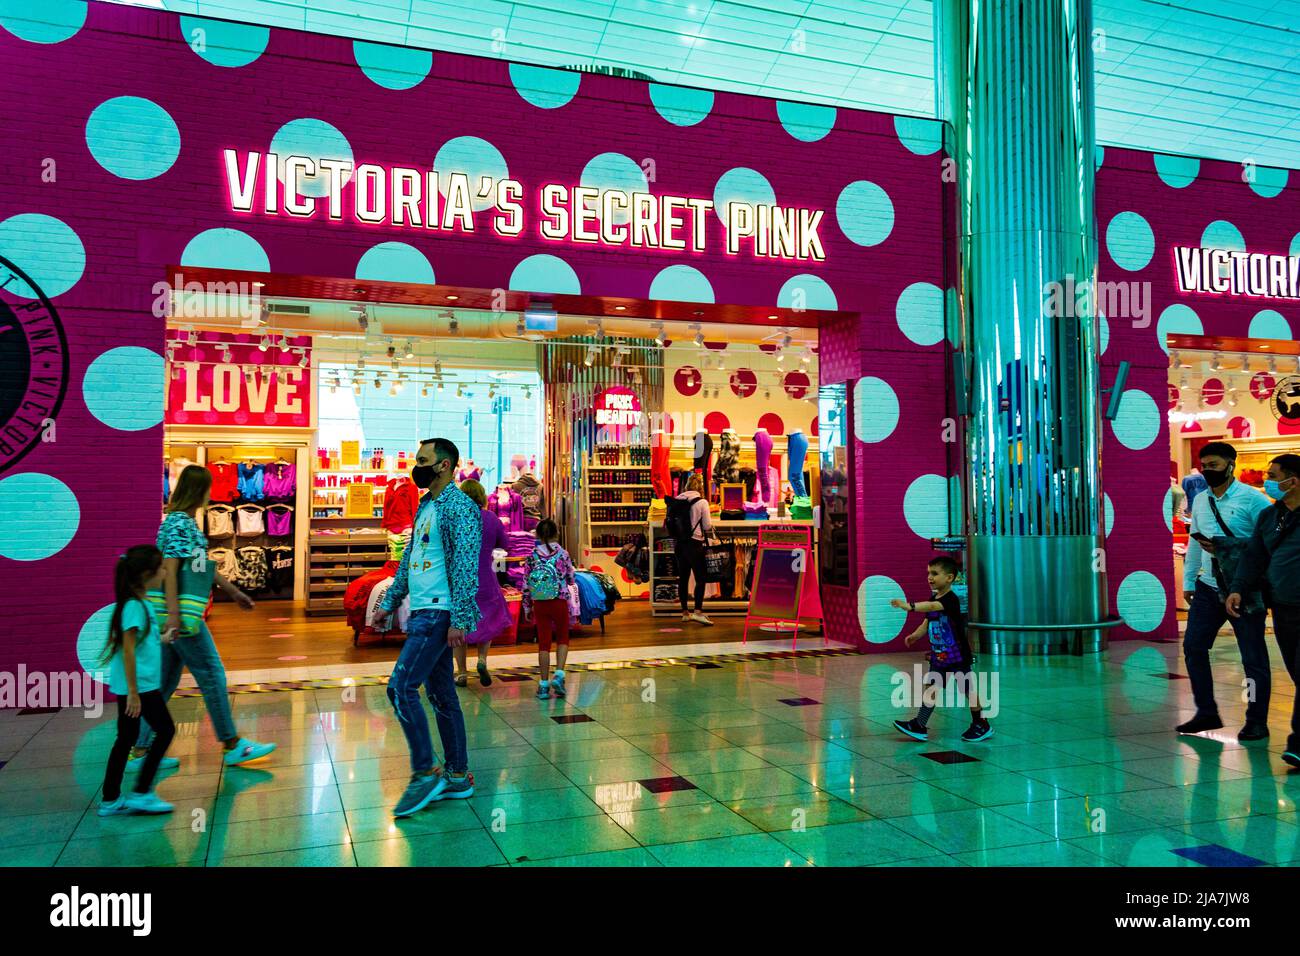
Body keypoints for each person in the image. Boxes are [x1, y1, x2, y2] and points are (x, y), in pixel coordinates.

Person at [132, 465, 276, 768]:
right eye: (207, 488)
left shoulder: (181, 521)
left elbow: (201, 564)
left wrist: (233, 592)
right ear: (199, 490)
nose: (211, 494)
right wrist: (173, 616)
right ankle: (231, 743)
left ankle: (142, 750)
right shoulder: (179, 523)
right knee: (212, 673)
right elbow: (170, 568)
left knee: (164, 681)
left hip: (180, 614)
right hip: (184, 616)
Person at [370, 438, 480, 817]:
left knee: (400, 688)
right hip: (421, 610)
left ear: (445, 466)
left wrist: (460, 618)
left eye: (423, 461)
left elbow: (466, 566)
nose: (416, 467)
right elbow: (410, 559)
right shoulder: (426, 506)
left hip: (438, 613)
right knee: (442, 696)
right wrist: (389, 601)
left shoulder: (460, 508)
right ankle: (458, 775)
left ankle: (424, 773)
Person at [1177, 441, 1272, 740]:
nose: (1208, 471)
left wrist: (1225, 548)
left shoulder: (1253, 500)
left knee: (1252, 657)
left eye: (1214, 465)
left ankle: (1256, 720)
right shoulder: (1202, 500)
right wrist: (1190, 580)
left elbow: (1266, 546)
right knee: (1193, 647)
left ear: (1231, 464)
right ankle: (1206, 711)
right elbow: (1195, 541)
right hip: (1208, 587)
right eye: (1205, 466)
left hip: (1243, 590)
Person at [1228, 453, 1300, 766]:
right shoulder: (1270, 517)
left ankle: (1299, 743)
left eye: (1273, 475)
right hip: (1283, 607)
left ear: (1293, 481)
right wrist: (1237, 588)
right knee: (1296, 673)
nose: (1267, 481)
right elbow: (1254, 556)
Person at [99, 546, 177, 816]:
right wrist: (133, 692)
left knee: (127, 737)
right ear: (147, 574)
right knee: (165, 730)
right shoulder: (134, 606)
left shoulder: (140, 602)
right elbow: (128, 649)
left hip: (139, 685)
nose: (166, 571)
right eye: (161, 568)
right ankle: (141, 791)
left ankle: (111, 799)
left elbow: (142, 642)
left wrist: (164, 638)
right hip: (140, 687)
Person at [889, 555, 992, 743]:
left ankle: (981, 723)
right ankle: (919, 724)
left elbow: (930, 606)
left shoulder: (951, 600)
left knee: (967, 689)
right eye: (928, 573)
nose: (930, 577)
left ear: (950, 578)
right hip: (940, 657)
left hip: (957, 656)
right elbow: (928, 620)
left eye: (935, 573)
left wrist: (909, 606)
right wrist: (915, 635)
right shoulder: (934, 596)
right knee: (932, 688)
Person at [454, 479, 515, 687]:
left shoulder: (457, 519)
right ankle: (481, 659)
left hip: (461, 579)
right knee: (487, 620)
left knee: (460, 625)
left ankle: (461, 672)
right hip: (486, 579)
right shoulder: (491, 518)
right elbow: (505, 545)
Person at [522, 519, 579, 700]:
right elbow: (571, 578)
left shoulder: (532, 555)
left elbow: (526, 583)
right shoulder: (563, 554)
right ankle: (560, 674)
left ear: (537, 535)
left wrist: (526, 606)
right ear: (557, 533)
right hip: (559, 600)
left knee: (544, 642)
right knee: (562, 637)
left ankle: (544, 685)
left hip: (540, 602)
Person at [674, 472, 715, 626]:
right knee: (701, 578)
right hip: (694, 544)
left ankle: (685, 613)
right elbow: (707, 526)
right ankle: (698, 612)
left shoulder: (678, 500)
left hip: (679, 544)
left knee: (683, 578)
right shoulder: (702, 502)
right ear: (700, 487)